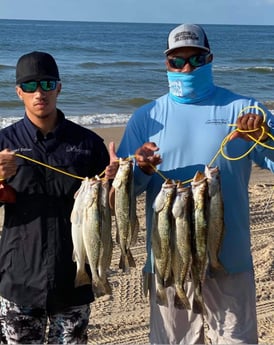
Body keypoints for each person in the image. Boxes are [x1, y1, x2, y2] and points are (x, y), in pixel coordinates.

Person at [109, 24, 274, 344]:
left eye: (196, 59)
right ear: (166, 63)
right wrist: (136, 169)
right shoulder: (147, 116)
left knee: (237, 339)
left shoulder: (244, 109)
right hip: (171, 259)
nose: (187, 68)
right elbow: (125, 193)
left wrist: (264, 137)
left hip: (230, 257)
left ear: (210, 58)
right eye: (177, 61)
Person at [0, 51, 116, 344]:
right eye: (30, 86)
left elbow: (112, 206)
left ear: (59, 88)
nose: (40, 93)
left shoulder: (88, 144)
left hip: (73, 278)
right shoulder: (4, 144)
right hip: (19, 278)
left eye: (48, 84)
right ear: (19, 92)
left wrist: (116, 181)